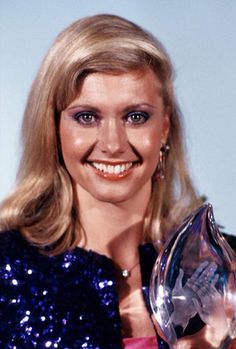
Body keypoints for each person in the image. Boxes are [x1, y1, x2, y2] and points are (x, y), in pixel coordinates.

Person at [0, 14, 235, 349]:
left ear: (164, 128)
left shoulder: (226, 271)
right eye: (86, 117)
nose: (112, 144)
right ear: (53, 129)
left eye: (135, 117)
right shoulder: (6, 271)